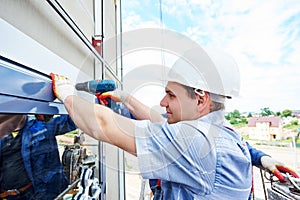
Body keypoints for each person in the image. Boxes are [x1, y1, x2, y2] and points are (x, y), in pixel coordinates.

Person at [50, 46, 256, 199]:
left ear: (201, 99)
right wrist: (124, 98)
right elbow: (158, 119)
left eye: (171, 95)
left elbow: (103, 124)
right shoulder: (223, 133)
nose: (162, 102)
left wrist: (67, 92)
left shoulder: (194, 142)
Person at [0, 114, 77, 199]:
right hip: (10, 196)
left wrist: (65, 100)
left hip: (43, 193)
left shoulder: (43, 125)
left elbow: (76, 119)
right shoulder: (2, 134)